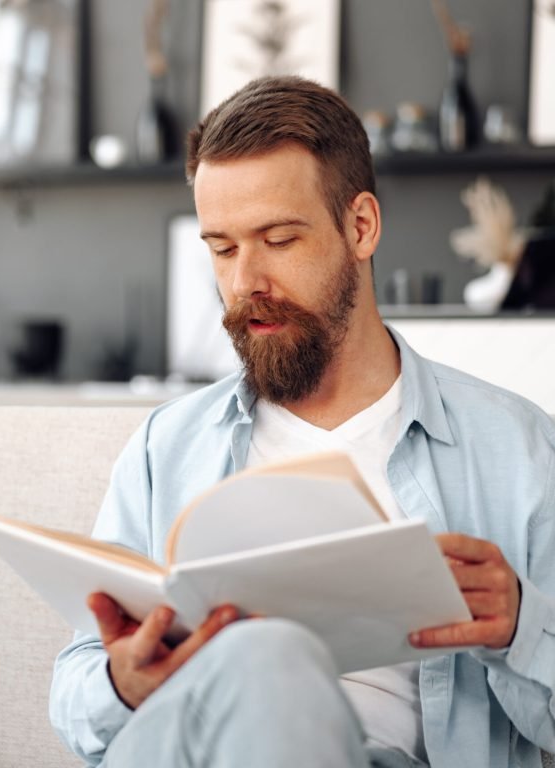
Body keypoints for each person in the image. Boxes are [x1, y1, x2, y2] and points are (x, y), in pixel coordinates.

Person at [50, 76, 555, 768]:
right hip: (189, 748)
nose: (244, 281)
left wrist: (522, 627)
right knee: (257, 656)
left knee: (270, 650)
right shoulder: (165, 447)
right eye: (222, 249)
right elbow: (75, 693)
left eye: (279, 239)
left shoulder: (520, 450)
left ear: (361, 227)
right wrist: (122, 683)